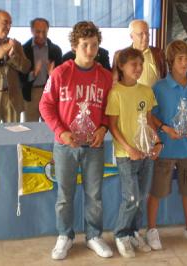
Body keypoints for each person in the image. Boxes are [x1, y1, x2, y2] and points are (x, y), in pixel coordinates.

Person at [39, 21, 113, 260]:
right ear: (74, 45)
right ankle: (65, 235)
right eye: (84, 45)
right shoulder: (61, 72)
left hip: (94, 146)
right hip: (65, 145)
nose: (90, 51)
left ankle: (93, 236)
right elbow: (46, 105)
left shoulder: (105, 76)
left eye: (94, 45)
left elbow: (112, 109)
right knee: (65, 195)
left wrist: (103, 128)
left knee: (94, 195)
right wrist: (61, 132)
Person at [146, 40, 187, 249]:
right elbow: (151, 117)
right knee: (157, 191)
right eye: (180, 59)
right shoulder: (160, 87)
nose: (184, 63)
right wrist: (165, 128)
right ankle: (152, 230)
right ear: (171, 62)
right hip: (165, 148)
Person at [105, 47, 162, 258]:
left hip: (146, 154)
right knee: (131, 198)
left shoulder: (146, 91)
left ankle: (135, 232)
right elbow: (112, 126)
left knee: (143, 196)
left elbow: (149, 120)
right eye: (133, 65)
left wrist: (157, 143)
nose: (138, 69)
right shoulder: (116, 93)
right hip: (126, 155)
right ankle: (121, 234)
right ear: (121, 66)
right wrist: (129, 148)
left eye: (141, 64)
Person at [20, 17, 62, 122]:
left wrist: (52, 74)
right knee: (30, 127)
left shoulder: (56, 50)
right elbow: (20, 77)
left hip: (50, 93)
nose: (41, 35)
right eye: (38, 32)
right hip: (31, 93)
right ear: (31, 30)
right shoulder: (23, 49)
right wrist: (33, 74)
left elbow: (62, 77)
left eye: (44, 32)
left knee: (49, 125)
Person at [114, 19, 167, 87]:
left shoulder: (158, 53)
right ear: (131, 36)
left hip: (154, 96)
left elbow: (164, 78)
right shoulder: (120, 55)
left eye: (147, 33)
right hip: (129, 96)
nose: (145, 37)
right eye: (141, 34)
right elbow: (115, 81)